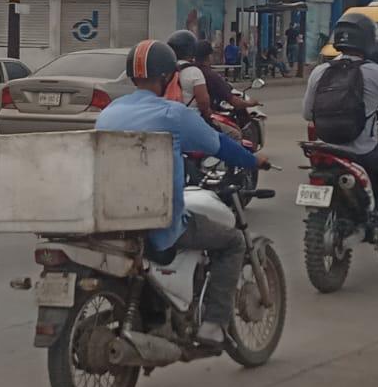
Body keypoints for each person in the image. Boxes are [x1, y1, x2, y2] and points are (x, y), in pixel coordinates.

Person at [96, 40, 270, 348]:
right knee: (231, 243)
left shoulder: (109, 113)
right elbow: (219, 144)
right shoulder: (172, 114)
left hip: (114, 216)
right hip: (158, 221)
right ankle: (214, 326)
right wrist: (254, 159)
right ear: (167, 77)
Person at [302, 14, 378, 237]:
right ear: (369, 41)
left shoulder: (319, 71)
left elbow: (307, 113)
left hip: (325, 148)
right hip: (363, 151)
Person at [163, 29, 213, 121]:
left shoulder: (165, 70)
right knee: (234, 133)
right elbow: (203, 103)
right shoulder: (194, 72)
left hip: (168, 119)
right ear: (192, 49)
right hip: (193, 120)